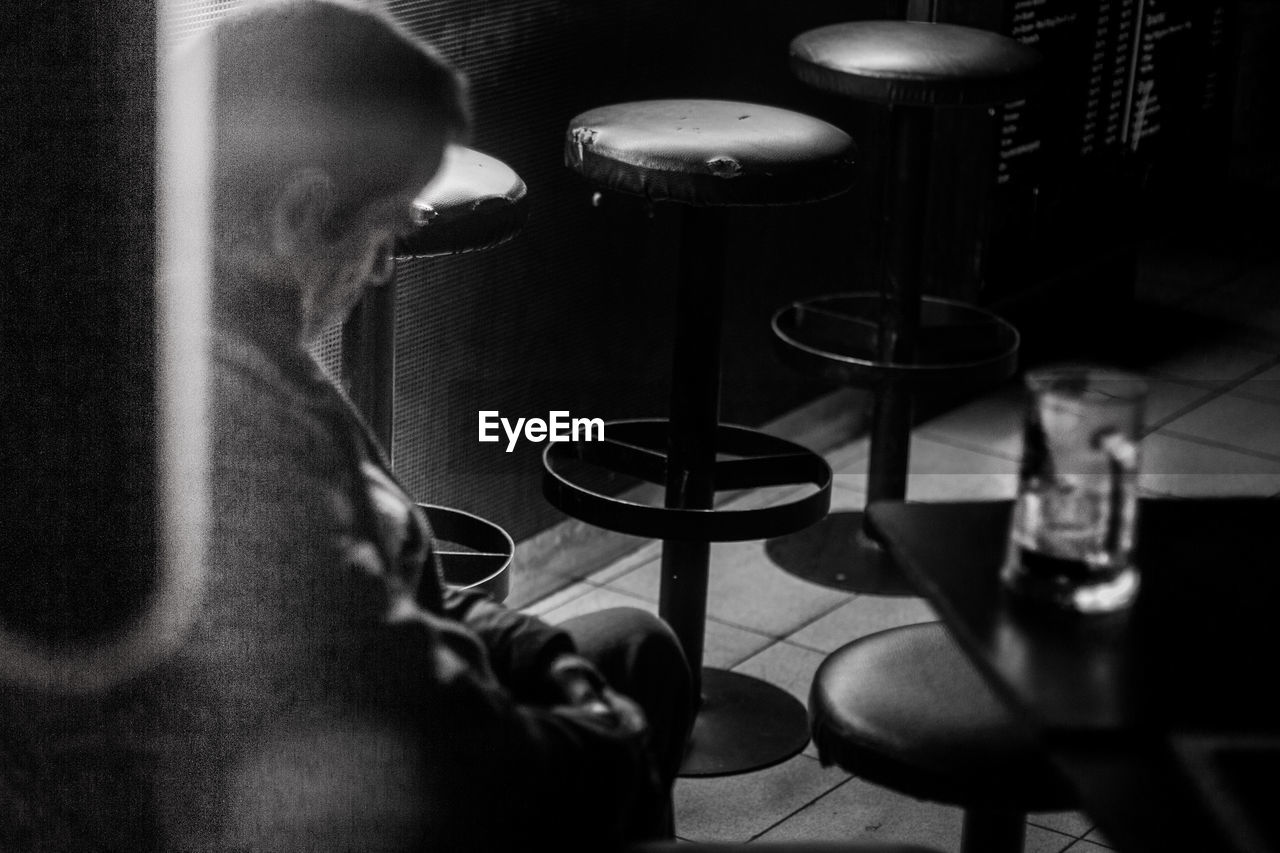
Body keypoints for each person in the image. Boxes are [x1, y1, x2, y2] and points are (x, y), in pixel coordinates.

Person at [0, 2, 693, 850]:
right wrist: (607, 735)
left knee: (632, 644)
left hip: (334, 738)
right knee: (623, 699)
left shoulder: (203, 327)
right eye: (384, 231)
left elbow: (378, 601)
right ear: (301, 213)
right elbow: (440, 744)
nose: (377, 272)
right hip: (282, 797)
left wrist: (536, 656)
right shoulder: (218, 426)